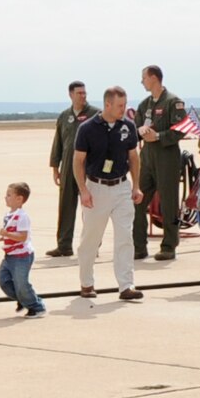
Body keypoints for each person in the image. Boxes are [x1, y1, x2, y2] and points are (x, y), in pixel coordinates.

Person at [72, 86, 144, 301]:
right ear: (108, 105)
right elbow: (78, 161)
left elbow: (134, 157)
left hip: (121, 187)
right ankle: (87, 283)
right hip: (96, 188)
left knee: (124, 236)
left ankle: (126, 286)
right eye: (120, 105)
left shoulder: (128, 126)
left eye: (125, 104)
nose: (124, 109)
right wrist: (83, 190)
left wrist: (136, 186)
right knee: (90, 240)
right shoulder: (87, 129)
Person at [131, 66, 190, 262]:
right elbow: (136, 126)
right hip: (147, 157)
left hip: (167, 156)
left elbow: (181, 129)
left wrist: (158, 136)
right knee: (137, 201)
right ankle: (139, 246)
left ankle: (169, 246)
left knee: (168, 203)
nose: (142, 82)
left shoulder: (173, 102)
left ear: (154, 78)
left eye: (144, 78)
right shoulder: (144, 105)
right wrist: (141, 131)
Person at [46, 81, 96, 257]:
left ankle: (92, 246)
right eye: (79, 93)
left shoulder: (95, 114)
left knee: (90, 208)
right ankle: (64, 245)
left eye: (84, 93)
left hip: (89, 166)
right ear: (71, 95)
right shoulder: (64, 116)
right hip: (68, 165)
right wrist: (55, 166)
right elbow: (58, 142)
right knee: (66, 205)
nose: (83, 96)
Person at [0, 182, 46, 316]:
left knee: (21, 284)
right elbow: (13, 234)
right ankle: (23, 299)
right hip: (10, 255)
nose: (5, 197)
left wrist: (6, 234)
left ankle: (37, 306)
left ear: (19, 199)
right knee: (3, 279)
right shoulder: (9, 215)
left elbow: (23, 237)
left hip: (21, 256)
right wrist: (2, 238)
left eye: (9, 195)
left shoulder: (22, 216)